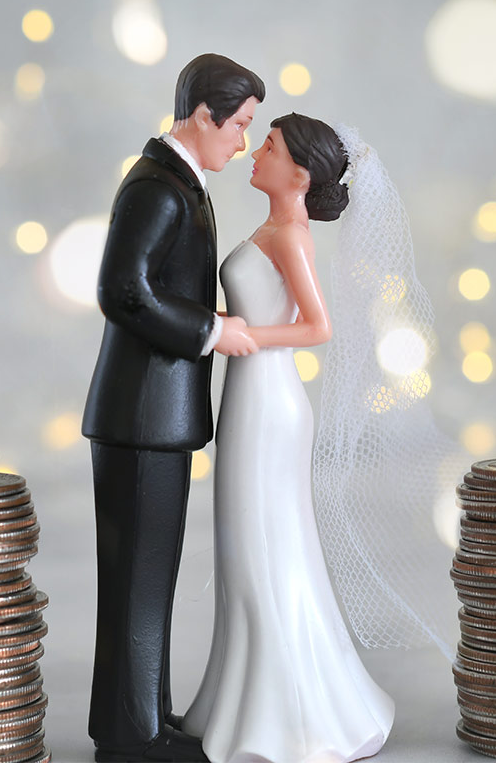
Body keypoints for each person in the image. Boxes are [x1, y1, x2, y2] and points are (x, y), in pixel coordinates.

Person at [181, 113, 399, 763]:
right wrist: (230, 324)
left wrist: (242, 336)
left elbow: (317, 326)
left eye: (268, 146)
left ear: (299, 175)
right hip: (250, 394)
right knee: (249, 549)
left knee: (266, 548)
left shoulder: (292, 236)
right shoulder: (274, 229)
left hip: (269, 400)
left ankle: (290, 716)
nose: (254, 150)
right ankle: (242, 700)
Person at [81, 53, 265, 763]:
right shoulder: (158, 187)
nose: (243, 141)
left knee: (146, 579)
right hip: (142, 416)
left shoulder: (177, 181)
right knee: (138, 579)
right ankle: (134, 736)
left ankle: (140, 718)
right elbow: (122, 290)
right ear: (202, 116)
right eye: (240, 124)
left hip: (153, 414)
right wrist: (211, 330)